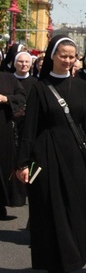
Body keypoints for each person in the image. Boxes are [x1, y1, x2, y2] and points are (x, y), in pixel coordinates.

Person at [15, 35, 86, 273]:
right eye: (63, 55)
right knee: (49, 210)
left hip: (75, 158)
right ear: (53, 56)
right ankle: (53, 267)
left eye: (71, 56)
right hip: (45, 157)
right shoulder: (39, 87)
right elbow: (29, 129)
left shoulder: (81, 88)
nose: (68, 60)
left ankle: (70, 262)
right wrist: (22, 163)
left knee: (75, 210)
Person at [0, 67, 26, 218]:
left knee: (3, 168)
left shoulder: (9, 78)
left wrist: (6, 99)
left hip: (3, 130)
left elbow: (22, 97)